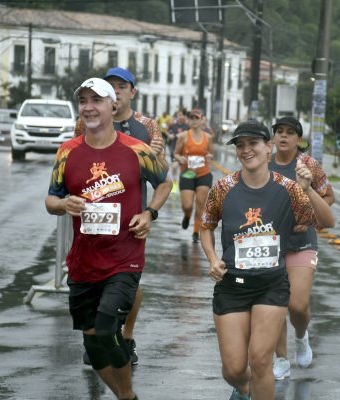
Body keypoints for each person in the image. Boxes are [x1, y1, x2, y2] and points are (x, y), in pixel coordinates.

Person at [45, 77, 172, 400]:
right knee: (92, 344)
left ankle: (127, 393)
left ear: (113, 106)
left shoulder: (136, 149)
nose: (88, 107)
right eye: (84, 100)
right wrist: (64, 204)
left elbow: (164, 183)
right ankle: (127, 397)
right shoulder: (67, 152)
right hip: (83, 262)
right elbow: (51, 201)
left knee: (106, 330)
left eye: (96, 100)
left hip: (124, 259)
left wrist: (149, 214)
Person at [200, 120, 335, 400]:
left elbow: (327, 221)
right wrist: (213, 258)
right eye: (240, 145)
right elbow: (206, 226)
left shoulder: (289, 188)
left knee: (261, 361)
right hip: (232, 284)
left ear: (268, 148)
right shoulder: (224, 188)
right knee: (233, 369)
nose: (247, 150)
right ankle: (246, 389)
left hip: (271, 285)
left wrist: (308, 189)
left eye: (253, 143)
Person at [103, 66, 168, 365]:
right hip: (95, 213)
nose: (115, 91)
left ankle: (127, 334)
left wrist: (149, 212)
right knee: (93, 280)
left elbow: (163, 173)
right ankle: (98, 336)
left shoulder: (147, 126)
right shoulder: (90, 120)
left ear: (132, 91)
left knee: (129, 281)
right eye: (110, 86)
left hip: (131, 215)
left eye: (121, 86)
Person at [269, 116, 335, 380]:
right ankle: (282, 359)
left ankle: (301, 335)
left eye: (290, 133)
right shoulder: (263, 163)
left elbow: (329, 196)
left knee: (297, 305)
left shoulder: (308, 165)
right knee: (273, 306)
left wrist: (311, 214)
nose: (284, 137)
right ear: (272, 138)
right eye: (279, 132)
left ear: (299, 139)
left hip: (301, 242)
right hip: (269, 244)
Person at [173, 108, 213, 243]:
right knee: (187, 205)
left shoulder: (208, 137)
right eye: (191, 118)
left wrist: (209, 156)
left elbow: (211, 153)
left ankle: (196, 233)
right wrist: (179, 159)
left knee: (201, 204)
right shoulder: (183, 136)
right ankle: (187, 215)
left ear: (202, 120)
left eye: (197, 118)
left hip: (204, 174)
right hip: (187, 174)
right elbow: (176, 153)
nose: (194, 121)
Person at [167, 110, 190, 192]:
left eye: (182, 115)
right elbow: (168, 132)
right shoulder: (173, 125)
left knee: (185, 169)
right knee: (174, 167)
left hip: (185, 150)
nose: (181, 117)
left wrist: (180, 135)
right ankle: (175, 184)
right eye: (179, 115)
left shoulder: (187, 126)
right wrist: (170, 135)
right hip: (175, 149)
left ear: (185, 116)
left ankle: (184, 185)